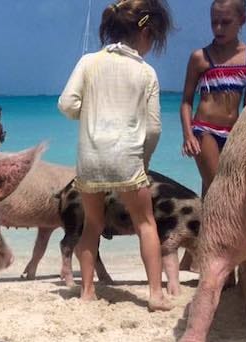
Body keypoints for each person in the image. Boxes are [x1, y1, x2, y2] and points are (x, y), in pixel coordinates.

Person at [58, 0, 174, 311]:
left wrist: (93, 115)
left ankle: (86, 292)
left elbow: (66, 105)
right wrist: (144, 161)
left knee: (92, 225)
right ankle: (155, 294)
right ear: (147, 32)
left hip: (91, 159)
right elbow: (153, 129)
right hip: (126, 158)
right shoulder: (145, 72)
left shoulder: (88, 62)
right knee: (145, 223)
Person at [180, 0, 246, 197]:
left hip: (234, 132)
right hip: (204, 130)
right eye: (214, 22)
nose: (218, 28)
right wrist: (188, 135)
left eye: (225, 22)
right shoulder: (200, 57)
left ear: (242, 20)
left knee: (212, 193)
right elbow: (186, 101)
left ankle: (206, 227)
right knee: (220, 189)